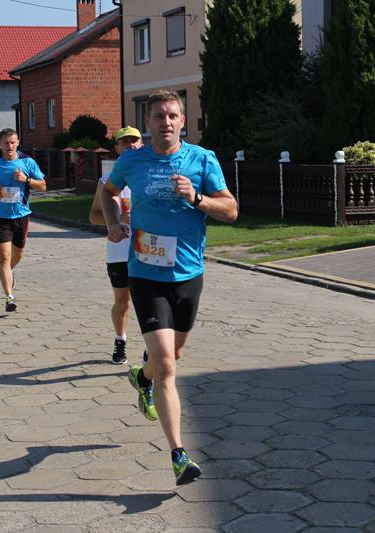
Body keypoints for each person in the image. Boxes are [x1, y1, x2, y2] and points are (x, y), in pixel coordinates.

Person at [102, 90, 238, 485]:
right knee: (166, 365)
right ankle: (179, 455)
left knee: (172, 357)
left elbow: (231, 210)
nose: (166, 122)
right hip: (145, 274)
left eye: (173, 115)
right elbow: (108, 193)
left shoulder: (202, 159)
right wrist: (112, 221)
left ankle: (141, 378)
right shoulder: (132, 161)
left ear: (183, 121)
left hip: (188, 275)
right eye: (159, 116)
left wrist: (196, 197)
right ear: (148, 123)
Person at [89, 126, 144, 364]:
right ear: (117, 148)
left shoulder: (150, 177)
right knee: (122, 301)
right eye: (125, 142)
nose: (130, 145)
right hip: (119, 251)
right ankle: (120, 339)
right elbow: (94, 216)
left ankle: (152, 346)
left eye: (134, 141)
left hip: (148, 249)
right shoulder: (107, 181)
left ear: (142, 145)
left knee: (148, 301)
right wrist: (117, 220)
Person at [0, 128, 46, 312]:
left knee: (18, 255)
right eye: (6, 143)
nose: (9, 146)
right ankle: (9, 297)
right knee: (4, 256)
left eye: (12, 142)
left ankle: (8, 274)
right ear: (0, 144)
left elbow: (43, 186)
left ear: (18, 143)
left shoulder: (27, 162)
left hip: (21, 215)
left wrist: (26, 180)